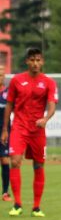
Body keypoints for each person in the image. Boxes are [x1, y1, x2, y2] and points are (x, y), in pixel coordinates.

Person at [1, 48, 57, 217]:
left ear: (42, 62)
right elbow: (9, 105)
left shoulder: (48, 82)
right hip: (19, 128)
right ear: (27, 61)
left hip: (38, 130)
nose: (35, 63)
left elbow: (52, 104)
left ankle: (36, 207)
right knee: (15, 161)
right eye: (32, 60)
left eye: (38, 60)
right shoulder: (17, 80)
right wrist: (5, 129)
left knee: (38, 165)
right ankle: (17, 204)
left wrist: (46, 119)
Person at [0, 65, 11, 202]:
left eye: (1, 74)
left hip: (4, 130)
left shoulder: (8, 93)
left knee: (4, 159)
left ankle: (5, 192)